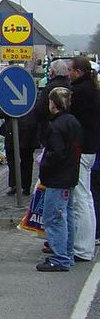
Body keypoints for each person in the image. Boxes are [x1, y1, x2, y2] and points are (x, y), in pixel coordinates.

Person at [36, 87, 82, 272]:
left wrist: (44, 164)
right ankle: (67, 254)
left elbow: (56, 153)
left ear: (53, 103)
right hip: (70, 176)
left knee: (54, 218)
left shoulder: (56, 126)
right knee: (66, 216)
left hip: (58, 178)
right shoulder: (73, 122)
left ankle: (60, 258)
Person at [67, 57, 100, 262]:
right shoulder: (93, 90)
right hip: (90, 149)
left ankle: (82, 248)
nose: (68, 73)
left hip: (80, 150)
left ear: (78, 72)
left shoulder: (80, 93)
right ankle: (86, 244)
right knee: (86, 198)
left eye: (70, 70)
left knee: (80, 199)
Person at [0, 110, 38, 195]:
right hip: (23, 133)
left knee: (20, 162)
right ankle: (22, 186)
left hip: (21, 133)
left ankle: (18, 185)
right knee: (22, 163)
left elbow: (0, 113)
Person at [35, 59, 71, 142]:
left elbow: (40, 109)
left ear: (53, 72)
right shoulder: (70, 86)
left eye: (50, 69)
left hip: (50, 127)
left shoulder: (49, 88)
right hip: (67, 127)